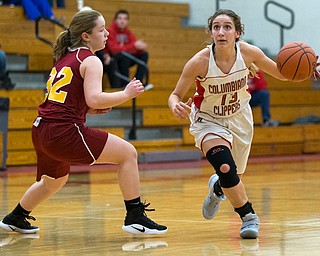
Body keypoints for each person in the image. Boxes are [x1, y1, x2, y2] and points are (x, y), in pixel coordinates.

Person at [0, 9, 167, 235]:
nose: (107, 33)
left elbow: (71, 98)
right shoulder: (91, 60)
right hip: (62, 131)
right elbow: (95, 97)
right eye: (101, 29)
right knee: (128, 154)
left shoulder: (66, 58)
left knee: (55, 181)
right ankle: (135, 216)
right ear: (86, 36)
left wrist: (86, 108)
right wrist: (126, 93)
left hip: (41, 129)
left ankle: (16, 217)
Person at [168, 9, 293, 239]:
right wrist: (174, 105)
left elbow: (282, 74)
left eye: (227, 27)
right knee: (224, 166)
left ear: (237, 33)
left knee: (232, 176)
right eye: (216, 27)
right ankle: (248, 216)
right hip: (208, 120)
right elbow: (175, 94)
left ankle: (217, 189)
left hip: (239, 118)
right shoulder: (199, 61)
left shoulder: (248, 53)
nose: (221, 32)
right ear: (211, 32)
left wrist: (305, 70)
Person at [101, 9, 152, 89]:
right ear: (115, 20)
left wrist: (139, 48)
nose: (122, 21)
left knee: (144, 54)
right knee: (124, 55)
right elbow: (114, 50)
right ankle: (126, 85)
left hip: (125, 56)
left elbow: (133, 46)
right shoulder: (110, 31)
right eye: (120, 18)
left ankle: (138, 82)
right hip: (113, 59)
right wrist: (133, 46)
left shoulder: (128, 32)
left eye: (125, 19)